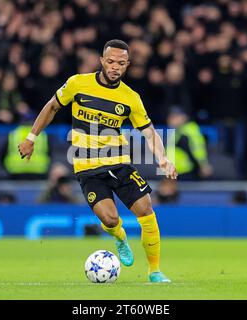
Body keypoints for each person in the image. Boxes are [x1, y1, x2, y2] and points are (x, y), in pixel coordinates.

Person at [18, 39, 177, 283]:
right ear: (102, 61)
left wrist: (163, 159)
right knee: (111, 219)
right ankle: (120, 237)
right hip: (87, 167)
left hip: (119, 163)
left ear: (127, 66)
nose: (115, 67)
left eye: (121, 64)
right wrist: (31, 137)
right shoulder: (77, 83)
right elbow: (52, 107)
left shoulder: (130, 98)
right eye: (111, 61)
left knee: (146, 210)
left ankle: (154, 271)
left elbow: (148, 130)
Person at [166, 106, 213, 180]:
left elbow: (197, 150)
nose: (169, 119)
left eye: (174, 117)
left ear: (183, 117)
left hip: (187, 172)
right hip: (177, 172)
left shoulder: (188, 131)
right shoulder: (178, 131)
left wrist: (203, 165)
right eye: (170, 117)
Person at [0, 114, 50, 180]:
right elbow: (50, 154)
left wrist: (7, 169)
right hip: (38, 172)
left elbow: (1, 155)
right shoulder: (42, 135)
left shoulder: (13, 134)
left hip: (16, 172)